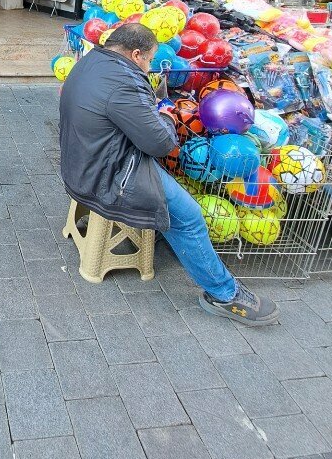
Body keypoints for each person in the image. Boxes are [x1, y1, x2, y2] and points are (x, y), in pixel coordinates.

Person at [59, 23, 278, 326]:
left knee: (173, 195)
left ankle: (168, 237)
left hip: (82, 162)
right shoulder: (122, 83)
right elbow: (160, 144)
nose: (149, 66)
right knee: (189, 216)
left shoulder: (93, 61)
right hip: (109, 176)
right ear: (136, 54)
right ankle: (224, 294)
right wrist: (164, 114)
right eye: (149, 60)